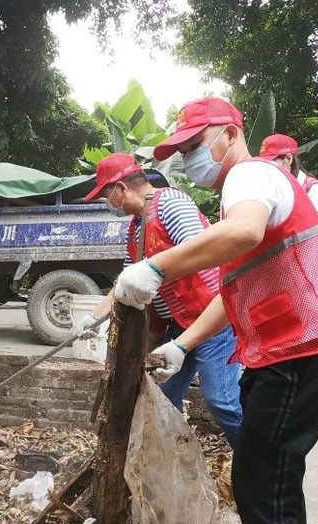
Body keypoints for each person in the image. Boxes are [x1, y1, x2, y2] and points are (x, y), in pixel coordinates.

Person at [112, 98, 318, 523]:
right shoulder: (243, 191)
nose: (188, 160)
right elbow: (235, 294)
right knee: (264, 478)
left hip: (301, 357)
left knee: (264, 483)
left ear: (231, 134)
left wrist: (157, 266)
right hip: (290, 358)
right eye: (183, 152)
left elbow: (244, 232)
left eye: (195, 147)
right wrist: (181, 345)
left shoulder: (248, 175)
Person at [79, 152, 243, 447]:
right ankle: (175, 457)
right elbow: (128, 283)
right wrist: (94, 316)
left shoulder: (169, 203)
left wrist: (157, 271)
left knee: (222, 402)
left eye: (106, 195)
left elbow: (203, 251)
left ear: (120, 188)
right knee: (163, 396)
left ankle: (258, 462)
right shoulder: (137, 227)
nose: (108, 203)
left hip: (211, 317)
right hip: (179, 323)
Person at [259, 133, 318, 262]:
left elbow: (310, 238)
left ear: (288, 159)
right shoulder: (278, 191)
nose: (268, 170)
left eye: (272, 163)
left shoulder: (315, 190)